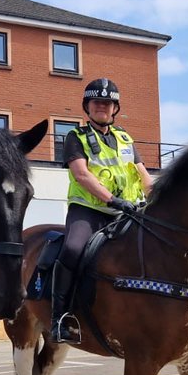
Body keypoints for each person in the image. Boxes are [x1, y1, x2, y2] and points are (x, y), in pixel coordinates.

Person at [51, 77, 154, 344]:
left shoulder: (125, 139)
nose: (102, 107)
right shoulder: (76, 136)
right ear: (87, 106)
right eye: (97, 102)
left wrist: (160, 199)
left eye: (108, 103)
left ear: (115, 108)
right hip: (89, 210)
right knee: (72, 249)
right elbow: (82, 175)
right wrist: (112, 200)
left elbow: (144, 177)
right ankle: (60, 317)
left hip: (126, 213)